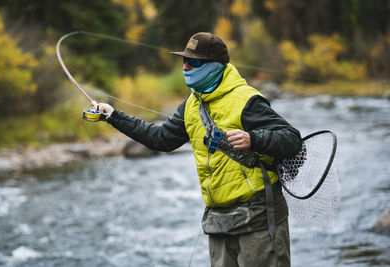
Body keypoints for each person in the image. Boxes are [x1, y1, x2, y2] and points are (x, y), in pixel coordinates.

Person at [96, 32, 302, 267]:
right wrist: (113, 116)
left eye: (193, 61)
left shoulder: (247, 100)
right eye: (183, 60)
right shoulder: (191, 105)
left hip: (259, 218)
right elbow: (161, 139)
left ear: (214, 66)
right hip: (218, 220)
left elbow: (292, 139)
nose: (185, 66)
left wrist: (253, 139)